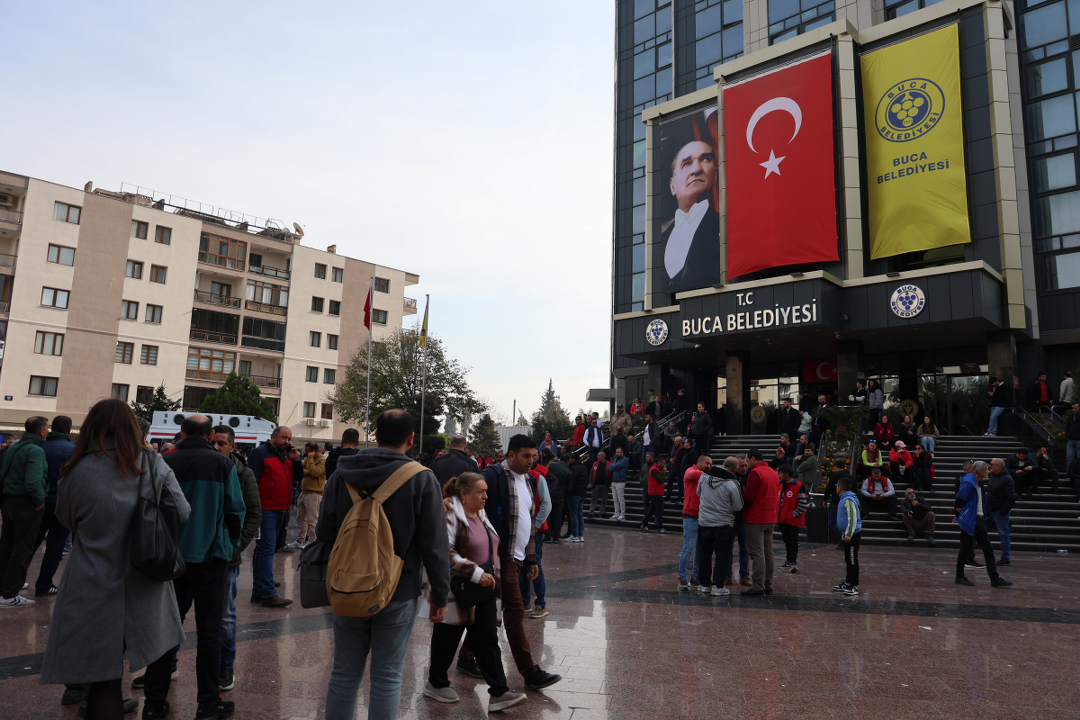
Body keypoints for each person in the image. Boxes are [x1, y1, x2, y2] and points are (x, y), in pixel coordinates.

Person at [39, 400, 190, 720]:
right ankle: (153, 702)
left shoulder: (76, 469)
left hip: (90, 577)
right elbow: (181, 510)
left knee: (101, 674)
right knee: (152, 647)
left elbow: (66, 518)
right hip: (144, 574)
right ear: (132, 428)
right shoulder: (151, 462)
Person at [315, 410, 451, 719]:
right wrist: (440, 596)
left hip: (346, 587)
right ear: (411, 438)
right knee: (387, 678)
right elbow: (435, 546)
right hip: (398, 590)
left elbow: (323, 532)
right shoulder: (422, 479)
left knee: (343, 674)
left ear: (374, 434)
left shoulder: (341, 474)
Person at [142, 414, 245, 720]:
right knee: (210, 632)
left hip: (169, 559)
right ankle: (207, 704)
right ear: (208, 433)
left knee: (165, 630)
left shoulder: (164, 461)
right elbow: (235, 511)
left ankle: (153, 702)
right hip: (210, 558)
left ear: (182, 433)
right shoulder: (223, 464)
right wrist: (228, 545)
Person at [423, 472, 527, 712]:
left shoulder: (481, 514)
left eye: (486, 491)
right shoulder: (450, 514)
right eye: (480, 491)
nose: (485, 496)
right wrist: (476, 573)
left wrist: (489, 581)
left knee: (488, 639)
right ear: (463, 493)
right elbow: (445, 552)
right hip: (456, 588)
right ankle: (435, 683)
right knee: (446, 640)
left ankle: (499, 693)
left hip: (484, 589)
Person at [479, 435, 562, 691]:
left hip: (517, 558)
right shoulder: (492, 475)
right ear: (511, 454)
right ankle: (530, 672)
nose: (531, 461)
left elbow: (528, 519)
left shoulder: (530, 480)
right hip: (498, 559)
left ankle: (464, 657)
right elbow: (469, 500)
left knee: (482, 613)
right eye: (526, 456)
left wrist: (531, 558)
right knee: (513, 612)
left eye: (534, 456)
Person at [209, 424, 262, 694]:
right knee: (177, 610)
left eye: (222, 443)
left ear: (232, 445)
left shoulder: (243, 473)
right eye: (213, 442)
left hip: (226, 556)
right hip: (195, 553)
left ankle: (225, 666)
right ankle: (167, 663)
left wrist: (236, 546)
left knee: (226, 614)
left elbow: (254, 512)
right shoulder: (201, 466)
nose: (216, 448)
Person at [248, 426, 302, 607]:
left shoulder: (287, 455)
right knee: (266, 549)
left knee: (266, 549)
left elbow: (298, 477)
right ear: (273, 437)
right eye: (283, 438)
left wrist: (296, 460)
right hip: (267, 509)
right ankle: (268, 592)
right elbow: (251, 481)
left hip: (283, 508)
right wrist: (254, 507)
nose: (287, 441)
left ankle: (259, 589)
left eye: (289, 438)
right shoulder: (260, 453)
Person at [0, 416, 49, 607]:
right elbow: (33, 481)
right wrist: (39, 502)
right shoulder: (35, 450)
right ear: (41, 430)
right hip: (27, 504)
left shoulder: (14, 447)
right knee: (22, 549)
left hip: (9, 502)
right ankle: (10, 594)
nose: (47, 430)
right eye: (46, 427)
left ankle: (4, 588)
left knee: (7, 547)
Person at [661, 138, 720, 293]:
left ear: (715, 175)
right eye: (686, 163)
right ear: (672, 186)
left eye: (705, 159)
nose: (696, 170)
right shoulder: (658, 242)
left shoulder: (727, 229)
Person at [32, 415, 75, 598]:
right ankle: (44, 584)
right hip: (61, 504)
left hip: (38, 503)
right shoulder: (73, 450)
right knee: (55, 547)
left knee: (30, 544)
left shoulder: (38, 446)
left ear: (51, 428)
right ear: (68, 431)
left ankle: (15, 581)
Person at [955, 461, 1013, 588]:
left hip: (979, 520)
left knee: (988, 550)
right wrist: (960, 517)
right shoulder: (969, 484)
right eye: (987, 470)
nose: (988, 471)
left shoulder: (979, 483)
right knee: (965, 549)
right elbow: (958, 503)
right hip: (971, 521)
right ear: (980, 472)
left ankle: (995, 578)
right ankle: (959, 576)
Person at [695, 456, 742, 596]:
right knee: (722, 555)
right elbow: (738, 506)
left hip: (704, 522)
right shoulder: (733, 483)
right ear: (734, 469)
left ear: (723, 464)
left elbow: (698, 493)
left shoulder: (704, 476)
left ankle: (704, 585)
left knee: (704, 554)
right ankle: (718, 586)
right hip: (724, 524)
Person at [741, 449, 780, 597]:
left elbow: (748, 497)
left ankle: (758, 586)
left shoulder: (755, 473)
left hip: (756, 518)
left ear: (752, 459)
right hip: (770, 516)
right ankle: (768, 584)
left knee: (757, 553)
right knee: (768, 552)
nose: (746, 463)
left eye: (747, 460)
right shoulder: (772, 472)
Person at [521, 456, 551, 620]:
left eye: (531, 457)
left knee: (535, 565)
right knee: (522, 566)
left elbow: (547, 503)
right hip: (520, 531)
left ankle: (541, 603)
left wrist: (537, 525)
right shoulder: (514, 478)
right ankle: (525, 602)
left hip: (535, 531)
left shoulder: (538, 477)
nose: (528, 460)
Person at [678, 453, 708, 590]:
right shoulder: (692, 471)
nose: (709, 466)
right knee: (688, 548)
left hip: (702, 515)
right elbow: (691, 475)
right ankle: (682, 579)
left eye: (711, 465)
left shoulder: (704, 476)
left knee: (699, 549)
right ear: (699, 461)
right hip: (690, 514)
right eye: (707, 463)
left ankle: (695, 576)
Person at [290, 441, 325, 549]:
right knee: (301, 518)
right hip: (304, 492)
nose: (305, 453)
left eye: (307, 451)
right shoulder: (307, 459)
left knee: (312, 519)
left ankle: (312, 541)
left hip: (314, 493)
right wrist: (310, 468)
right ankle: (300, 540)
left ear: (313, 451)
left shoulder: (323, 460)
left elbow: (315, 472)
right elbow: (302, 471)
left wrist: (310, 461)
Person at [726, 456, 752, 587]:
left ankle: (744, 576)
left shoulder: (750, 478)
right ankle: (727, 576)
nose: (744, 468)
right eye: (742, 466)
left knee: (745, 549)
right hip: (731, 518)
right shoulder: (730, 478)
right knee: (727, 548)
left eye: (746, 465)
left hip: (744, 519)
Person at [776, 464, 808, 573]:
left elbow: (802, 503)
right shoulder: (780, 484)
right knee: (787, 540)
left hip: (792, 519)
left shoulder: (799, 485)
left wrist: (793, 515)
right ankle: (788, 561)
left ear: (786, 474)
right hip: (781, 518)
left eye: (780, 473)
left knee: (793, 541)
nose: (779, 475)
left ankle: (792, 562)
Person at [833, 476, 861, 596]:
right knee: (848, 559)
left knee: (852, 559)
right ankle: (848, 581)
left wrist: (849, 534)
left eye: (837, 485)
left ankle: (853, 585)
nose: (836, 488)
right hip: (847, 534)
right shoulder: (844, 498)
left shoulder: (848, 500)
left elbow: (853, 519)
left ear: (841, 487)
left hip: (852, 535)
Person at [984, 458, 1015, 566]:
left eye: (991, 464)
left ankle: (1005, 558)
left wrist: (1002, 511)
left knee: (1003, 534)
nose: (989, 465)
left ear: (998, 467)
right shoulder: (993, 476)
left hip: (999, 512)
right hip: (990, 510)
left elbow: (1011, 498)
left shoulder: (1007, 479)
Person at [543, 451, 567, 543]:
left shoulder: (550, 469)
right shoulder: (565, 471)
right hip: (560, 495)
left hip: (550, 494)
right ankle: (556, 537)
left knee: (549, 516)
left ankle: (548, 536)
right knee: (558, 517)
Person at [640, 455, 667, 533]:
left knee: (652, 509)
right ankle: (660, 527)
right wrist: (664, 473)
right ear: (660, 462)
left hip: (656, 492)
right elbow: (661, 480)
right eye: (664, 463)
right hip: (655, 493)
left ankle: (644, 524)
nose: (664, 465)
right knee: (659, 510)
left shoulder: (656, 469)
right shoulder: (654, 470)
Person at [566, 454, 589, 543]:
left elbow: (571, 482)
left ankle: (574, 535)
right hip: (582, 493)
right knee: (580, 514)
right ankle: (580, 535)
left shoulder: (573, 469)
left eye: (570, 459)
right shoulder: (584, 468)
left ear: (573, 459)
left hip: (574, 494)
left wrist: (568, 492)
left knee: (573, 515)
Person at [587, 450, 611, 518]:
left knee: (604, 500)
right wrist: (590, 482)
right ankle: (591, 513)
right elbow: (591, 474)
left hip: (604, 484)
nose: (597, 457)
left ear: (603, 457)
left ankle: (601, 513)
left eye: (599, 456)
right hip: (596, 484)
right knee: (594, 499)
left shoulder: (609, 464)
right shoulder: (595, 464)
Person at [609, 447, 629, 521]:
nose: (617, 454)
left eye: (618, 452)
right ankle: (616, 513)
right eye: (616, 452)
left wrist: (614, 467)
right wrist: (614, 467)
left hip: (620, 481)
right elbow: (609, 467)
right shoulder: (615, 459)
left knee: (621, 498)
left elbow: (614, 466)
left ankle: (622, 514)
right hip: (614, 480)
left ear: (622, 453)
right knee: (615, 499)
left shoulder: (624, 460)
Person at [666, 436, 684, 501]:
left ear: (680, 442)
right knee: (669, 483)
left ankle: (679, 498)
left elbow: (683, 459)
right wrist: (669, 459)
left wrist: (675, 461)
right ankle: (667, 497)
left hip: (679, 468)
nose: (675, 442)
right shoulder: (672, 448)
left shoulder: (683, 449)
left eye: (676, 441)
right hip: (671, 467)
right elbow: (668, 456)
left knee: (680, 484)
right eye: (675, 441)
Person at [1067, 402, 1080, 472]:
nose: (1074, 410)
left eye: (1075, 408)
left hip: (1078, 440)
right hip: (1071, 439)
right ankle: (1069, 473)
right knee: (1069, 458)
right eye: (1073, 408)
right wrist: (1068, 434)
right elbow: (1068, 425)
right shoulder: (1072, 416)